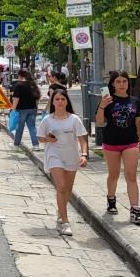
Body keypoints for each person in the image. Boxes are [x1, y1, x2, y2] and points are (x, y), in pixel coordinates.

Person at [97, 71, 140, 226]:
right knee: (114, 174)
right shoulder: (107, 100)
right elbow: (99, 122)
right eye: (118, 81)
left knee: (131, 175)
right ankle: (111, 199)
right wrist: (102, 106)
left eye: (124, 81)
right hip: (111, 142)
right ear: (112, 84)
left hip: (130, 141)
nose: (121, 84)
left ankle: (135, 210)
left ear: (128, 83)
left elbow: (137, 121)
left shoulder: (134, 101)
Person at [38, 89, 89, 236]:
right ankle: (65, 222)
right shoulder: (47, 120)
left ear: (67, 101)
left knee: (67, 189)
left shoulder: (74, 119)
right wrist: (47, 139)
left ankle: (61, 212)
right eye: (57, 99)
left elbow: (82, 139)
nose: (60, 102)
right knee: (61, 187)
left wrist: (84, 155)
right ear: (53, 102)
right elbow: (40, 138)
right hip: (54, 155)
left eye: (62, 99)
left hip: (71, 156)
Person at [10, 69, 41, 150]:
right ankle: (36, 145)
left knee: (19, 128)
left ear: (20, 75)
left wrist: (13, 109)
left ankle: (16, 145)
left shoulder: (19, 85)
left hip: (21, 109)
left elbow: (16, 98)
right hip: (32, 108)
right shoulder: (33, 85)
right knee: (32, 127)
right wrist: (36, 108)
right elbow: (37, 98)